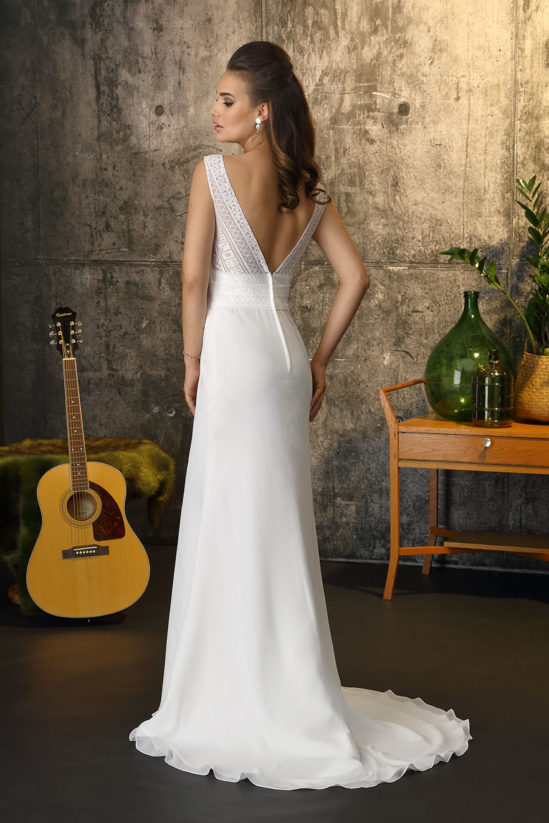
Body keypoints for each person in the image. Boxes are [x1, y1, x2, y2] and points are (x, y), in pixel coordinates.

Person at [129, 41, 472, 790]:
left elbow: (192, 280)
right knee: (277, 521)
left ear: (261, 111)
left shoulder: (212, 174)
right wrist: (318, 360)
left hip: (232, 354)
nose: (213, 111)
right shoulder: (308, 192)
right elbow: (356, 277)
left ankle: (226, 690)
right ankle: (289, 689)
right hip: (283, 356)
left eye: (226, 100)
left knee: (227, 516)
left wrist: (191, 360)